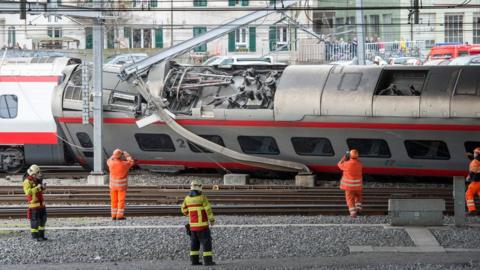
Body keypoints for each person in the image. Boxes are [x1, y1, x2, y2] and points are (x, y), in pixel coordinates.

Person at [181, 180, 216, 266]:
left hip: (193, 227)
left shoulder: (187, 198)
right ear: (199, 188)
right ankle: (208, 261)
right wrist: (211, 220)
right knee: (206, 243)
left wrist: (189, 214)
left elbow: (183, 210)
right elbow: (208, 209)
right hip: (203, 226)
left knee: (194, 244)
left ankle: (194, 261)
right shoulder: (202, 197)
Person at [107, 149, 134, 220]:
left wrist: (115, 155)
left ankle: (113, 215)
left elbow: (109, 159)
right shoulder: (124, 164)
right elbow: (131, 162)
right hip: (121, 187)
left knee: (113, 200)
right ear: (121, 156)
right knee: (121, 201)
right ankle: (119, 216)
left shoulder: (110, 162)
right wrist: (126, 154)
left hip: (113, 186)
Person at [23, 164, 48, 241]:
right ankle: (35, 236)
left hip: (41, 205)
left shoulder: (37, 180)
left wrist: (42, 188)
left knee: (42, 220)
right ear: (33, 174)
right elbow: (28, 192)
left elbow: (40, 191)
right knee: (35, 221)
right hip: (34, 206)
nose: (39, 174)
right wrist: (37, 188)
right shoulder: (27, 181)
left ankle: (41, 235)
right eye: (37, 172)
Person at [338, 149, 364, 218]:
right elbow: (356, 162)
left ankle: (353, 213)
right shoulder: (359, 164)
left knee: (350, 199)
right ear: (357, 156)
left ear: (350, 155)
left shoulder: (346, 164)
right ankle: (358, 208)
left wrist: (345, 157)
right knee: (358, 197)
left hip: (349, 187)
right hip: (358, 186)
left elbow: (339, 164)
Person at [466, 147, 480, 216]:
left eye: (475, 153)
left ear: (478, 154)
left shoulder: (475, 162)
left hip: (476, 181)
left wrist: (469, 178)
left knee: (469, 193)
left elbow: (473, 172)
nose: (474, 154)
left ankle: (472, 210)